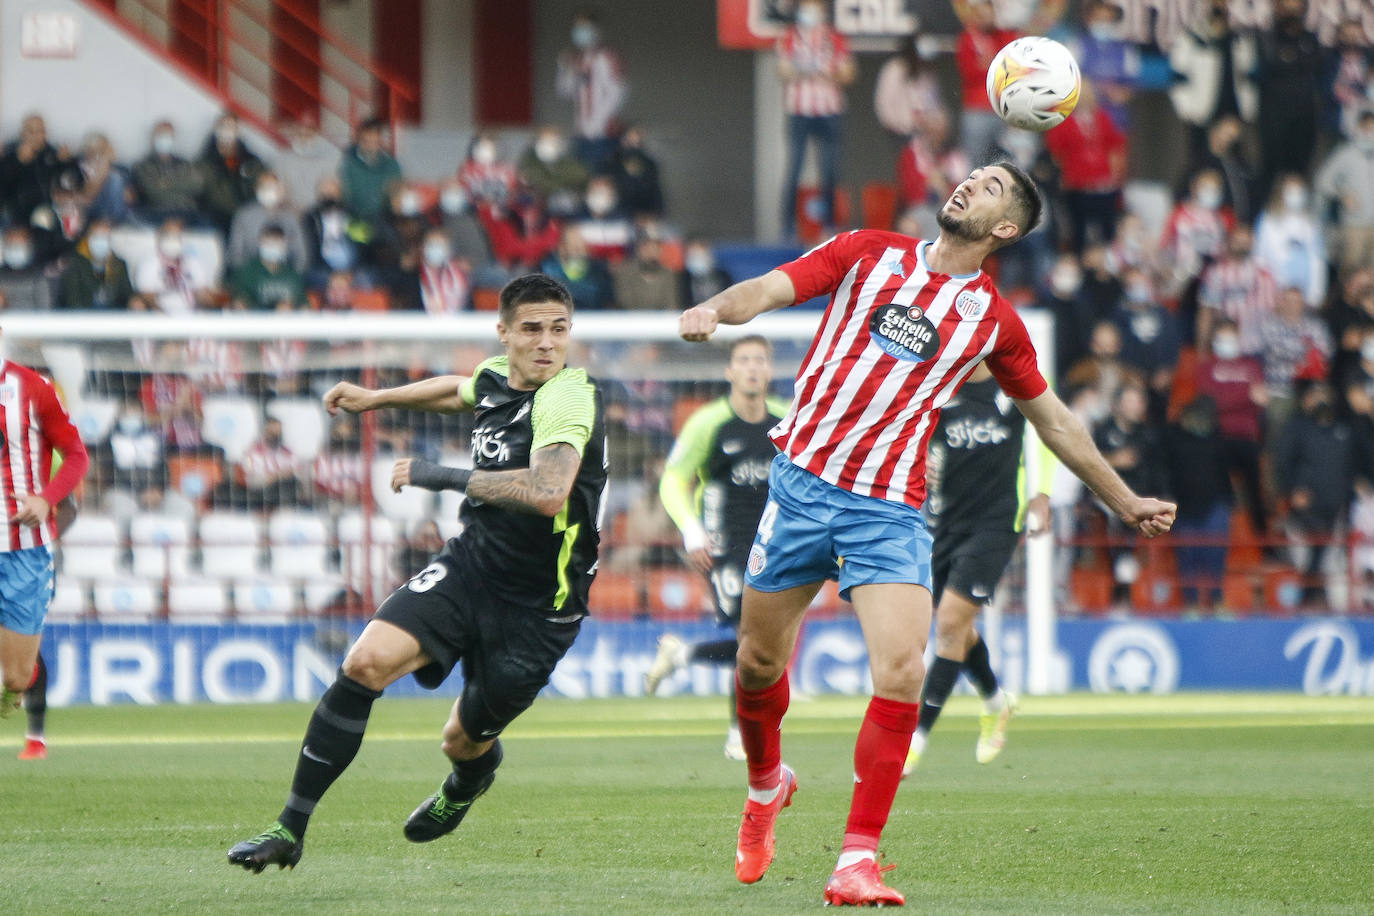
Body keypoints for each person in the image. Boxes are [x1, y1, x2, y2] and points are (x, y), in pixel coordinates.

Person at [678, 162, 1176, 906]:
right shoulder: (868, 251)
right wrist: (717, 309)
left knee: (904, 672)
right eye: (972, 176)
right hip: (801, 487)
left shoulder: (994, 322)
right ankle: (764, 787)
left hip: (888, 507)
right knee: (755, 664)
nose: (968, 185)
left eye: (990, 187)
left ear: (1005, 230)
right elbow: (772, 288)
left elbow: (1055, 422)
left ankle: (857, 858)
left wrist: (1122, 498)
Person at [227, 274, 606, 872]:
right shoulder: (493, 378)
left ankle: (468, 779)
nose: (546, 343)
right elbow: (458, 389)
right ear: (503, 333)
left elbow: (548, 492)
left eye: (558, 329)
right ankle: (288, 828)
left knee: (463, 739)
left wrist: (440, 474)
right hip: (471, 567)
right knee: (364, 663)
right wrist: (376, 399)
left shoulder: (568, 395)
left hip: (540, 606)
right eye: (531, 329)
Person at [900, 360, 1054, 776]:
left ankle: (916, 738)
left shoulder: (1016, 385)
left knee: (949, 624)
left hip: (997, 523)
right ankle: (994, 700)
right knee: (959, 628)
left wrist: (1042, 491)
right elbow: (910, 439)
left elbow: (1050, 432)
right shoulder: (936, 387)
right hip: (942, 522)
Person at [644, 336, 789, 760]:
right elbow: (673, 479)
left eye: (759, 360)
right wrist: (690, 530)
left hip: (776, 544)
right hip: (723, 546)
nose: (751, 368)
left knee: (765, 647)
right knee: (749, 636)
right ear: (729, 371)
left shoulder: (786, 421)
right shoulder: (708, 422)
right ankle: (739, 733)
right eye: (743, 360)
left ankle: (683, 653)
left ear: (769, 370)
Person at [0, 342, 90, 724]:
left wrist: (45, 498)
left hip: (23, 549)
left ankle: (15, 692)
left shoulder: (32, 388)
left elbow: (76, 454)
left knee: (17, 676)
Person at [776, 0, 856, 240]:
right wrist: (811, 69)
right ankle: (787, 227)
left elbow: (848, 73)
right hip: (799, 110)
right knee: (795, 168)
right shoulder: (789, 37)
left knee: (829, 169)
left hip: (829, 110)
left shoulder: (835, 38)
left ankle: (829, 224)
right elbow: (782, 71)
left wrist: (824, 71)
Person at [556, 10, 628, 173]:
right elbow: (565, 92)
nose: (580, 33)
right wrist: (562, 68)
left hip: (604, 134)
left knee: (600, 179)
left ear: (596, 31)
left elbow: (617, 93)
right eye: (577, 28)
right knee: (580, 180)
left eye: (585, 28)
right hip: (581, 133)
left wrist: (597, 123)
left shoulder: (607, 57)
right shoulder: (577, 59)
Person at [1315, 109, 1374, 275]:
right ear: (1360, 128)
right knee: (1350, 271)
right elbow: (1323, 181)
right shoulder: (1346, 153)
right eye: (1368, 128)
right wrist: (1343, 195)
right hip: (1354, 225)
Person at [227, 172, 308, 272]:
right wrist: (245, 276)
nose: (269, 191)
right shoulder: (244, 215)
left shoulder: (291, 216)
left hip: (285, 273)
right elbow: (235, 251)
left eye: (273, 187)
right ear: (256, 189)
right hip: (252, 272)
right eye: (265, 187)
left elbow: (301, 253)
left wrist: (295, 276)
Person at [198, 113, 265, 232]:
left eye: (232, 127)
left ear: (238, 131)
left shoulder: (252, 162)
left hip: (243, 216)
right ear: (216, 129)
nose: (227, 130)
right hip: (212, 217)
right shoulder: (204, 161)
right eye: (223, 126)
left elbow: (260, 190)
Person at [132, 121, 205, 225]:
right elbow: (154, 192)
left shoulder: (185, 164)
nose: (164, 139)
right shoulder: (142, 165)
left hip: (187, 213)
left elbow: (196, 186)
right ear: (153, 138)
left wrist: (166, 183)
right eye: (160, 135)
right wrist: (180, 183)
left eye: (167, 135)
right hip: (156, 213)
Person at [339, 117, 403, 228]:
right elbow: (345, 196)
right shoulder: (348, 165)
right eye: (367, 140)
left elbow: (396, 193)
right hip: (356, 221)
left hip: (385, 220)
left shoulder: (392, 165)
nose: (371, 144)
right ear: (359, 139)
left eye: (375, 140)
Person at [57, 219, 134, 310]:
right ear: (89, 238)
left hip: (113, 317)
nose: (101, 242)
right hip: (83, 316)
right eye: (97, 237)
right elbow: (72, 298)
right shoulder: (75, 263)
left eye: (104, 238)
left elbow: (126, 295)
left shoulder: (119, 264)